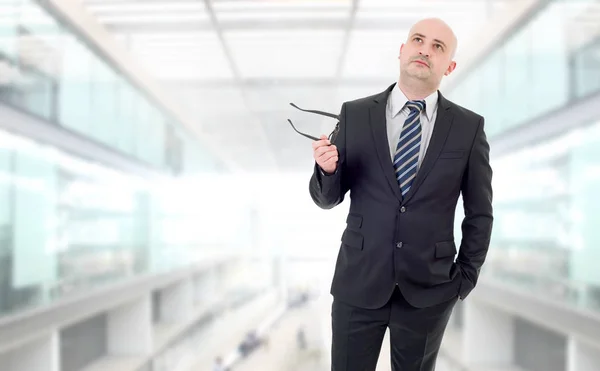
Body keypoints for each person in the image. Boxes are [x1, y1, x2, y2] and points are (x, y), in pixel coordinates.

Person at [309, 17, 493, 371]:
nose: (425, 49)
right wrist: (327, 171)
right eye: (418, 40)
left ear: (449, 66)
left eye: (438, 47)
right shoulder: (356, 114)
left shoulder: (469, 128)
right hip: (358, 282)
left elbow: (480, 213)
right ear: (402, 50)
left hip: (430, 290)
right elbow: (327, 199)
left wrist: (464, 280)